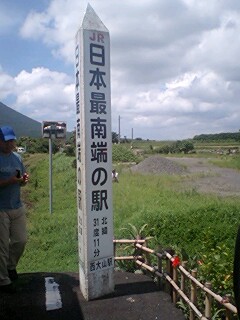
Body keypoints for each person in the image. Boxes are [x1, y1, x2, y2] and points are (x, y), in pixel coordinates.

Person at [0, 126, 29, 293]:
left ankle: (11, 267)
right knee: (2, 246)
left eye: (12, 140)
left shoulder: (17, 158)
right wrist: (10, 181)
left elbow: (21, 180)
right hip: (1, 208)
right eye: (7, 141)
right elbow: (11, 180)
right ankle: (3, 280)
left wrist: (23, 180)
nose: (10, 143)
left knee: (20, 240)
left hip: (17, 205)